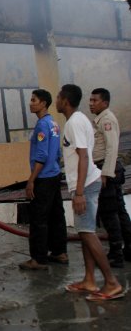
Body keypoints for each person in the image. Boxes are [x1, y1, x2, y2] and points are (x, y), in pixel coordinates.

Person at [57, 84, 124, 301]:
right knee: (86, 231)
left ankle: (111, 283)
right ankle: (89, 280)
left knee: (87, 232)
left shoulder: (75, 122)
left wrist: (78, 193)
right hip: (88, 181)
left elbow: (84, 157)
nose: (56, 101)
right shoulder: (80, 119)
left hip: (85, 184)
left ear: (65, 100)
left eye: (58, 97)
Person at [19, 89, 68, 270]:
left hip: (44, 177)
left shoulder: (42, 126)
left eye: (34, 100)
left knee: (38, 218)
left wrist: (31, 180)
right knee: (56, 215)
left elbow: (42, 155)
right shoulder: (54, 124)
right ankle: (59, 252)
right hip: (54, 175)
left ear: (43, 103)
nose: (31, 103)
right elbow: (56, 153)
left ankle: (38, 259)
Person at [89, 87, 131, 267]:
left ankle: (116, 254)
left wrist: (105, 174)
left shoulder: (107, 120)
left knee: (110, 213)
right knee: (119, 212)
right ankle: (127, 249)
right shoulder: (100, 119)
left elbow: (112, 148)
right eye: (90, 100)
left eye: (95, 100)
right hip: (109, 170)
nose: (91, 104)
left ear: (105, 103)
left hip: (107, 170)